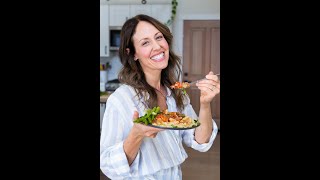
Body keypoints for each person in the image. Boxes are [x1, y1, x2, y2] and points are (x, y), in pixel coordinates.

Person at [100, 14, 220, 179]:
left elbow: (200, 140)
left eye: (159, 37)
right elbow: (108, 166)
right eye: (145, 42)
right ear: (133, 53)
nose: (157, 46)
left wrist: (205, 104)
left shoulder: (175, 93)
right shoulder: (121, 100)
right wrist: (137, 134)